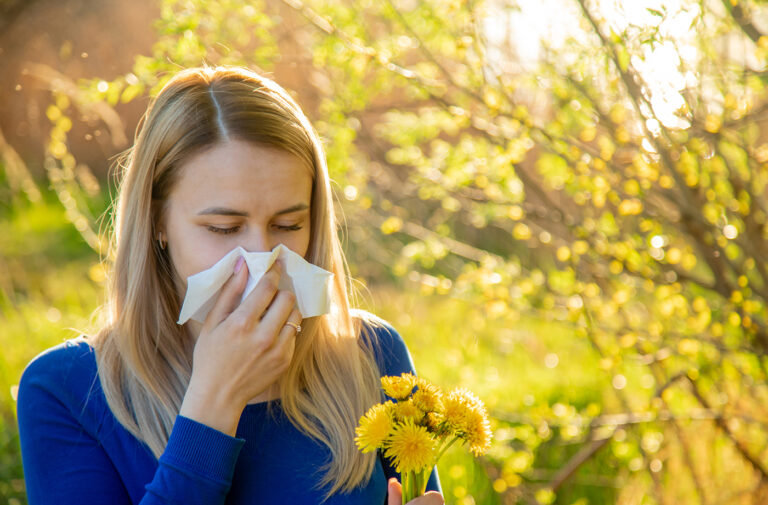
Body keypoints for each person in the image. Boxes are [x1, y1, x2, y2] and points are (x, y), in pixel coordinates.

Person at [16, 66, 443, 505]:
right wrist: (214, 402)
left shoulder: (371, 354)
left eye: (288, 224)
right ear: (157, 221)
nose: (262, 259)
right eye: (223, 228)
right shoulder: (67, 391)